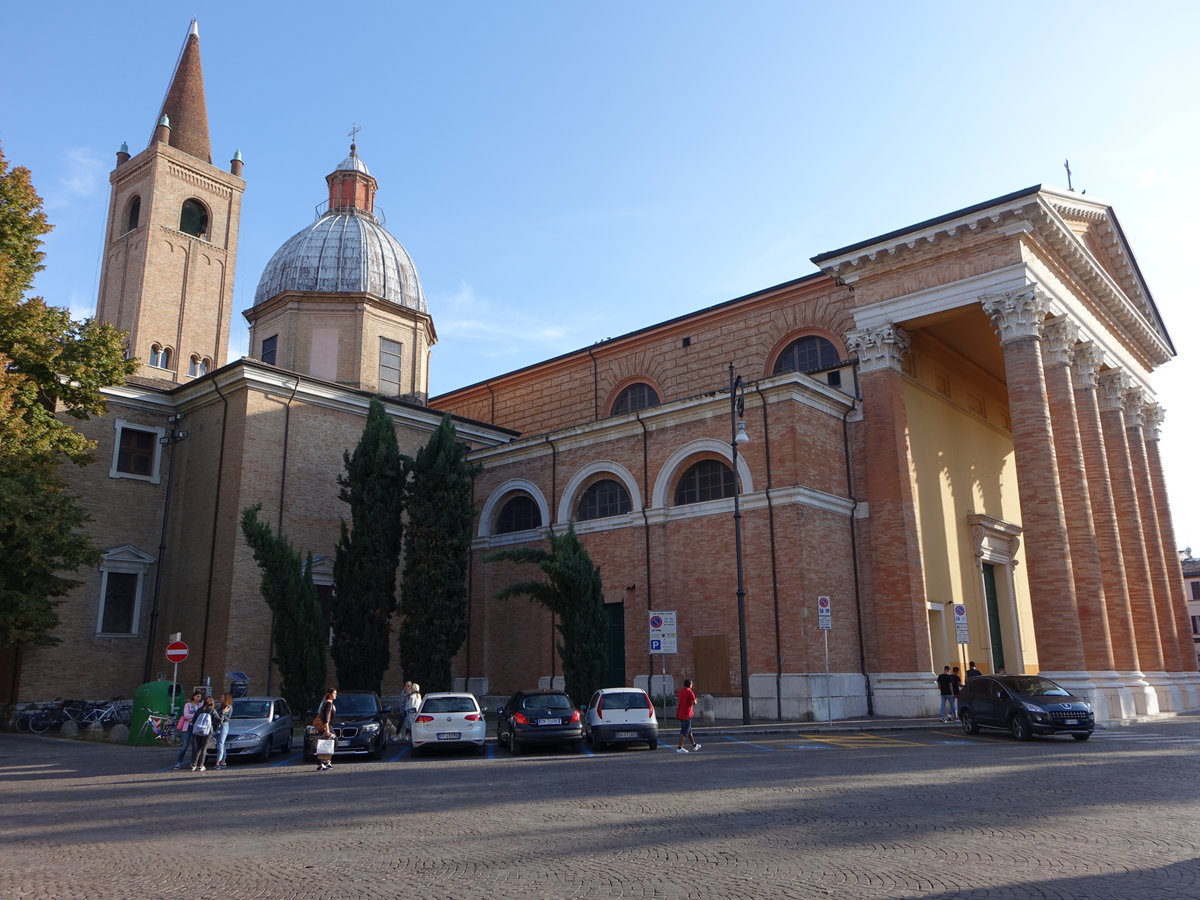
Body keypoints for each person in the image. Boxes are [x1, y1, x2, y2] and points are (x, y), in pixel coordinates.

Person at [174, 691, 203, 769]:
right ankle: (179, 762)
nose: (198, 698)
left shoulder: (201, 705)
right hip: (187, 727)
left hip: (196, 727)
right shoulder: (187, 705)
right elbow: (186, 715)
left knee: (195, 746)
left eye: (200, 697)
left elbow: (201, 715)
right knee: (185, 745)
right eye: (197, 696)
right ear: (193, 696)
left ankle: (193, 763)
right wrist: (195, 717)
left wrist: (192, 718)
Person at [189, 696, 217, 772]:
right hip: (207, 731)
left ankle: (193, 764)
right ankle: (201, 765)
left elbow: (193, 720)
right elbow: (218, 720)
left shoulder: (199, 709)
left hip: (197, 730)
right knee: (204, 748)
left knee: (198, 748)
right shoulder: (212, 710)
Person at [312, 688, 337, 771]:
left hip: (328, 726)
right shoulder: (328, 704)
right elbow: (325, 717)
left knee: (329, 743)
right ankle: (321, 764)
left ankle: (326, 762)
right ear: (329, 694)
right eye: (334, 693)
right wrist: (327, 729)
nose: (335, 695)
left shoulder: (330, 703)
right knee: (325, 744)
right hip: (326, 726)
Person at [675, 678, 700, 754]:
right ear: (690, 685)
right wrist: (696, 700)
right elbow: (693, 702)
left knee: (689, 731)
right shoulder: (690, 692)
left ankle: (694, 745)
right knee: (684, 731)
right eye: (691, 684)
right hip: (687, 714)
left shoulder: (681, 691)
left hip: (680, 713)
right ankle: (680, 747)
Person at [213, 693, 234, 769]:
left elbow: (224, 718)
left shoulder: (228, 707)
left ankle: (219, 762)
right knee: (220, 744)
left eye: (222, 697)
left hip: (223, 726)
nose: (220, 698)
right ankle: (223, 761)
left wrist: (222, 713)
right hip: (217, 726)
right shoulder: (219, 706)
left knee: (220, 744)